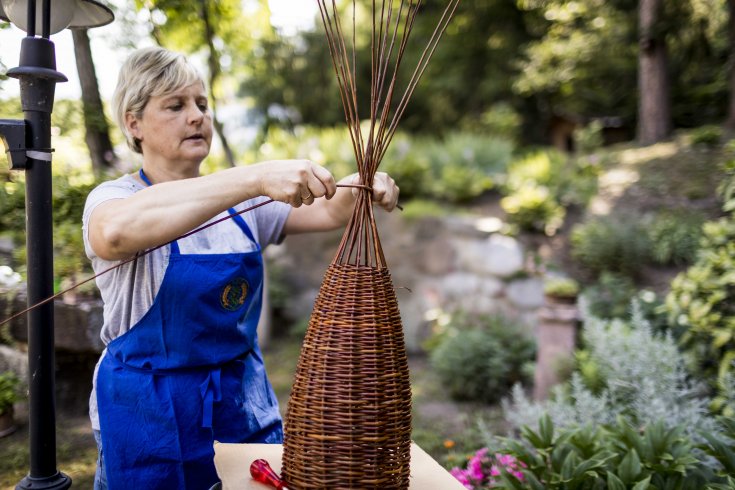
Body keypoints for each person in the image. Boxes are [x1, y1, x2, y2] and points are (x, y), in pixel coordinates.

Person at [83, 46, 399, 490]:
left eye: (202, 104)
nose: (196, 117)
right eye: (175, 106)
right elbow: (113, 234)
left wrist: (362, 185)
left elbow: (330, 212)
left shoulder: (243, 206)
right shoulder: (113, 197)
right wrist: (253, 176)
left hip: (241, 402)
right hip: (149, 415)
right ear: (133, 123)